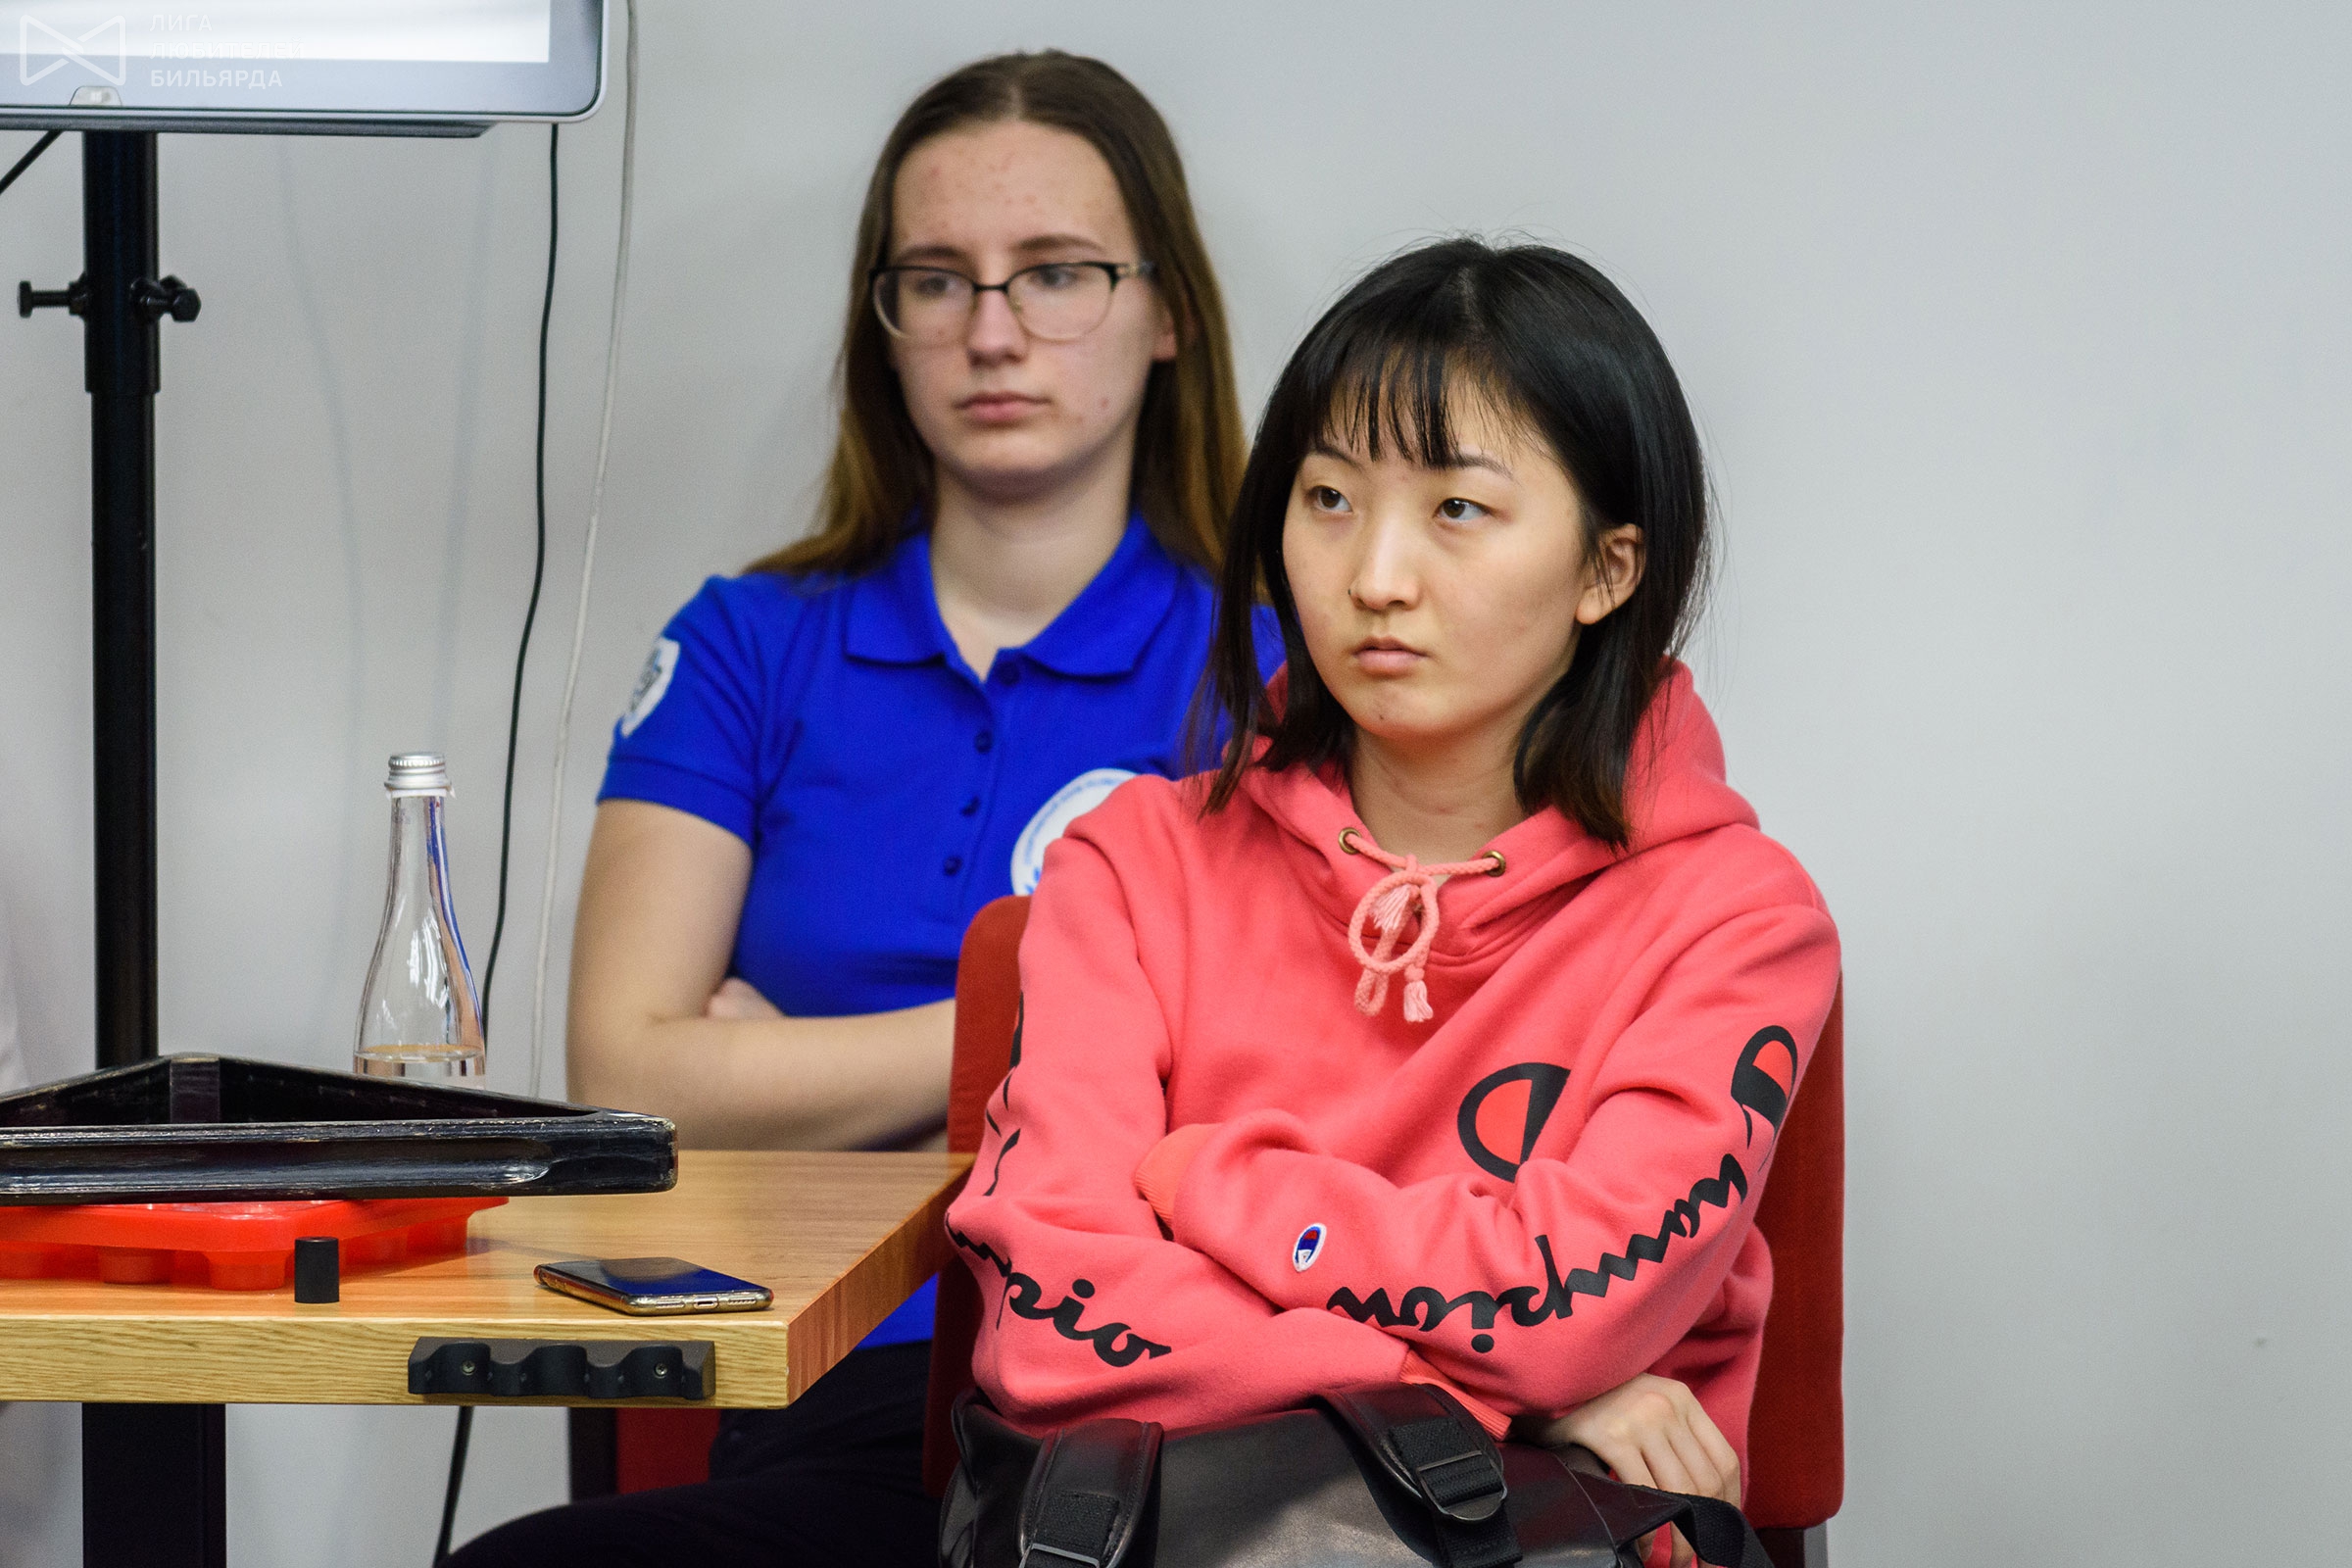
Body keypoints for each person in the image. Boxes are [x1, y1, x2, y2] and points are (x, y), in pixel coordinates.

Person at [453, 50, 1268, 1568]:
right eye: (936, 280)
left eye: (1057, 273)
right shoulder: (746, 645)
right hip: (842, 1401)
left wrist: (792, 1079)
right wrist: (1057, 1054)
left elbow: (1279, 1086)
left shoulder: (1276, 661)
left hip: (1169, 1405)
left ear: (1167, 313)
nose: (991, 331)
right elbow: (629, 1077)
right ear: (880, 323)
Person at [946, 239, 1840, 1566]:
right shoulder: (1130, 867)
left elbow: (1573, 1307)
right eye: (1328, 499)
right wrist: (1495, 1402)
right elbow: (1053, 1323)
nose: (1374, 576)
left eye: (1457, 508)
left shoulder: (1736, 921)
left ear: (1608, 570)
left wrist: (1212, 1184)